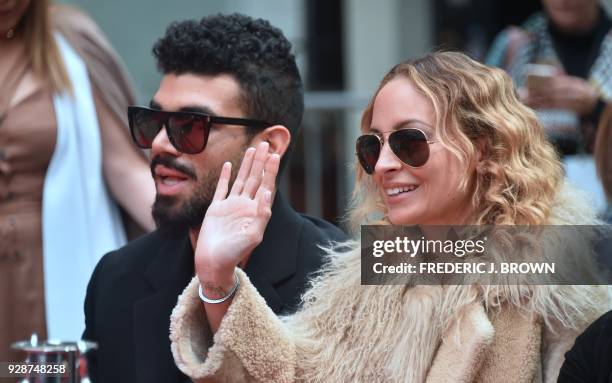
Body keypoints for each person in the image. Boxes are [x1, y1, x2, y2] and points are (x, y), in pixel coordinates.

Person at [169, 52, 609, 382]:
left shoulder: (555, 276)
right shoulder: (375, 273)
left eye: (409, 142)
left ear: (482, 149)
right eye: (372, 146)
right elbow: (292, 373)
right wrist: (217, 277)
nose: (382, 165)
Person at [82, 13, 347, 383]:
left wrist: (218, 284)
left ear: (269, 145)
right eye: (153, 120)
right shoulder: (117, 279)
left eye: (190, 126)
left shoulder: (342, 281)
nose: (159, 143)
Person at [0, 0, 155, 360]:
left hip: (52, 265)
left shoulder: (69, 42)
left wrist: (194, 229)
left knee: (49, 372)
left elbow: (123, 167)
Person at [486, 0, 612, 156]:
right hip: (530, 173)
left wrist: (597, 107)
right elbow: (476, 117)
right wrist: (513, 107)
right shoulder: (514, 44)